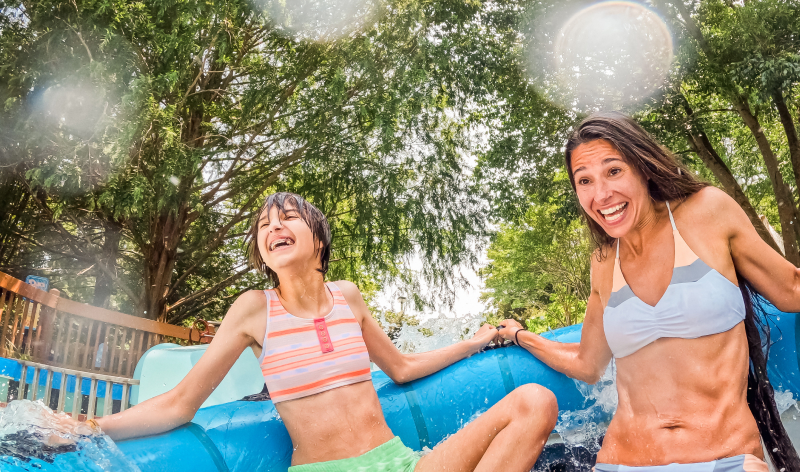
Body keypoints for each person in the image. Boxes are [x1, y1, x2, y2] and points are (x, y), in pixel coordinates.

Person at [84, 192, 558, 472]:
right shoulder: (254, 310)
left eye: (287, 217)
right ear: (263, 253)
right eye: (264, 226)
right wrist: (90, 427)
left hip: (397, 462)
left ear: (319, 239)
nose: (274, 226)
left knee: (535, 402)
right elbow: (179, 403)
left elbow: (402, 367)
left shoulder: (347, 297)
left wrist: (476, 341)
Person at [495, 112, 800, 472]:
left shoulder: (706, 211)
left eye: (614, 171)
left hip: (725, 459)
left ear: (642, 165)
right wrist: (521, 336)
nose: (602, 194)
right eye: (585, 180)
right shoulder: (604, 261)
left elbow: (791, 290)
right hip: (622, 462)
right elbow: (588, 364)